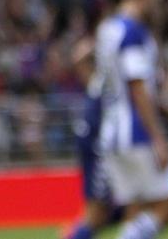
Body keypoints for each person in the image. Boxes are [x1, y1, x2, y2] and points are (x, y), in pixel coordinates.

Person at [96, 0, 168, 239]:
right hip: (135, 132)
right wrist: (158, 137)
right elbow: (137, 87)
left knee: (136, 211)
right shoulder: (133, 32)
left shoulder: (108, 28)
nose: (158, 2)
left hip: (112, 131)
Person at [62, 36, 122, 239]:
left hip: (94, 150)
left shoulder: (102, 82)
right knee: (98, 214)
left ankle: (76, 232)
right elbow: (78, 58)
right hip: (95, 154)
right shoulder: (96, 83)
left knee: (102, 212)